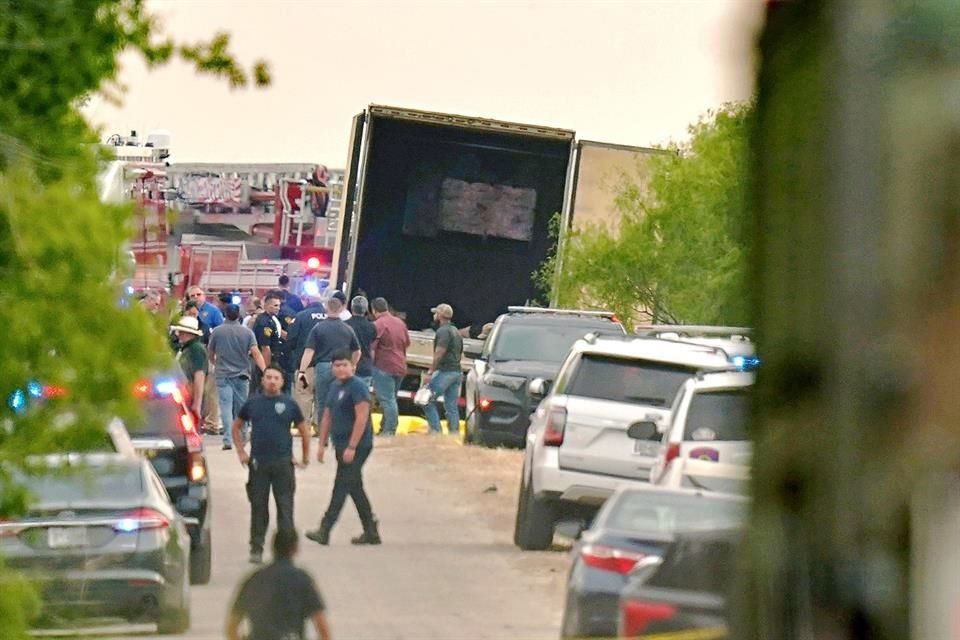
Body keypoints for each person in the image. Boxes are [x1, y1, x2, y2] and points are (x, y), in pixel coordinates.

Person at [232, 367, 310, 564]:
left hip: (283, 463)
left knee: (285, 509)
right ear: (263, 380)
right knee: (259, 508)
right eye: (269, 377)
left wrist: (304, 457)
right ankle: (256, 547)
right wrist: (242, 452)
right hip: (258, 464)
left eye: (276, 378)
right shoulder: (253, 403)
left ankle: (285, 552)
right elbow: (237, 427)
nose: (272, 381)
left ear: (283, 381)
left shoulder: (289, 404)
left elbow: (304, 430)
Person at [306, 351, 380, 546]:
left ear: (352, 366)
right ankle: (371, 530)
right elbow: (327, 416)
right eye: (337, 365)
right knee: (354, 486)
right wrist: (322, 444)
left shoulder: (358, 387)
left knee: (341, 484)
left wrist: (352, 446)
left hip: (358, 445)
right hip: (340, 444)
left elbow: (362, 417)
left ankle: (325, 529)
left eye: (344, 365)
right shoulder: (334, 387)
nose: (340, 369)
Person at [227, 529, 332, 640]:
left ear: (273, 548)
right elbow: (323, 629)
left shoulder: (254, 578)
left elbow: (231, 628)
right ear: (295, 548)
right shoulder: (303, 580)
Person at [209, 304, 268, 450]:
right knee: (241, 407)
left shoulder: (217, 332)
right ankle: (242, 436)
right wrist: (265, 370)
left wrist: (215, 363)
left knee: (226, 407)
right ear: (239, 315)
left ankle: (227, 439)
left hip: (222, 374)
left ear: (225, 314)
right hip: (242, 374)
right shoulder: (247, 333)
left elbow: (210, 352)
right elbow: (256, 353)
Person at [297, 296, 360, 430]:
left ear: (326, 307)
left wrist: (302, 371)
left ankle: (323, 433)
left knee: (323, 402)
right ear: (341, 309)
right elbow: (357, 352)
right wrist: (352, 366)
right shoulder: (347, 328)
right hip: (343, 367)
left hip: (323, 367)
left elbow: (309, 351)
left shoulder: (319, 328)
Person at [370, 297, 409, 437]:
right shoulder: (400, 323)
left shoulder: (378, 324)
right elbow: (406, 343)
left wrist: (370, 365)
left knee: (387, 400)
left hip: (384, 366)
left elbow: (372, 348)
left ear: (373, 310)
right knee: (392, 398)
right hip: (401, 365)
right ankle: (384, 427)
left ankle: (389, 430)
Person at [422, 303, 463, 435]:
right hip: (457, 371)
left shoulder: (443, 331)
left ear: (440, 315)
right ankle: (454, 433)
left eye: (436, 313)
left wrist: (430, 372)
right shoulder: (456, 331)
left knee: (426, 400)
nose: (434, 315)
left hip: (446, 371)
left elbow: (439, 353)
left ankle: (435, 431)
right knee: (451, 406)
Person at [288, 294, 327, 428]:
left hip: (306, 364)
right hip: (328, 364)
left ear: (307, 301)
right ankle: (320, 425)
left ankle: (303, 426)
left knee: (304, 395)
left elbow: (291, 339)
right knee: (323, 397)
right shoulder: (332, 317)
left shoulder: (301, 316)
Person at [170, 315, 207, 421]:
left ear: (189, 334)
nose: (179, 335)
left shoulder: (196, 349)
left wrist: (197, 403)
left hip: (190, 396)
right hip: (185, 395)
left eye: (181, 332)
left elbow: (199, 375)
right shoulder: (187, 348)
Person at [252, 292, 283, 393]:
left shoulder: (271, 320)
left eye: (279, 305)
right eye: (275, 305)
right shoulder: (264, 322)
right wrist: (267, 369)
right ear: (267, 305)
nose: (278, 308)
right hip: (264, 362)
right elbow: (265, 347)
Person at [344, 296, 376, 388]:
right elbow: (372, 346)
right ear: (366, 310)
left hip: (347, 367)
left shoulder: (344, 325)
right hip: (365, 368)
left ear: (351, 307)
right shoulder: (372, 327)